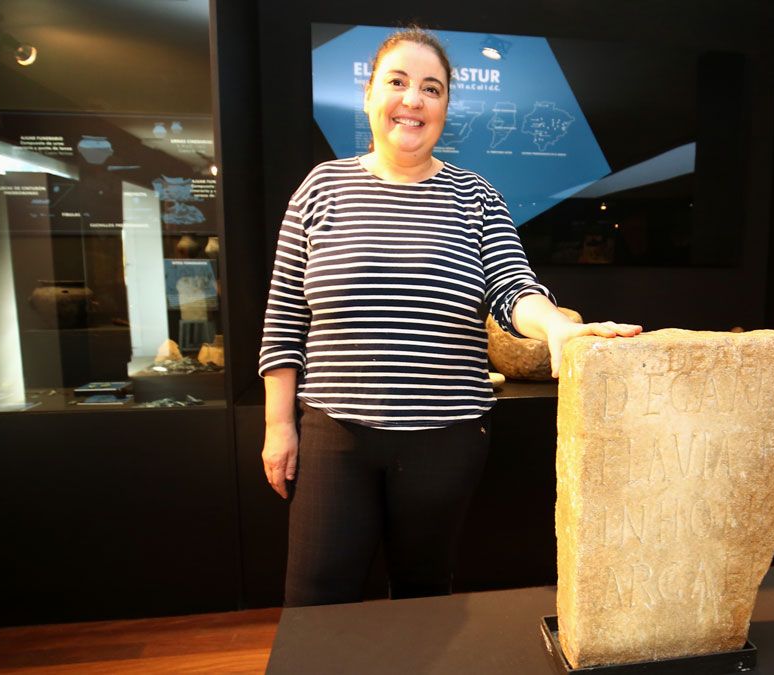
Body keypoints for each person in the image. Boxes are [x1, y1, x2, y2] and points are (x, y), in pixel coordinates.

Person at [258, 27, 642, 607]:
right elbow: (284, 317)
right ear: (370, 96)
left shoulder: (476, 196)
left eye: (431, 89)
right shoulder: (322, 189)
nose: (413, 99)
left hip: (447, 436)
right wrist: (278, 425)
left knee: (423, 598)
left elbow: (513, 289)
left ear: (445, 108)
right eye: (398, 82)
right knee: (316, 600)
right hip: (336, 433)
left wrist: (557, 326)